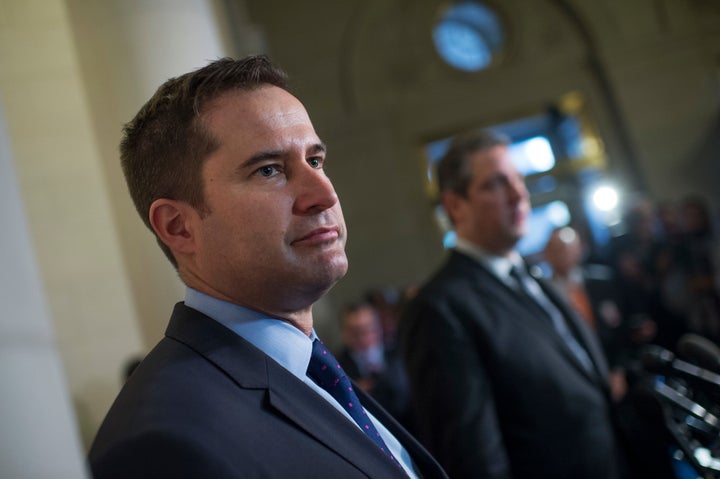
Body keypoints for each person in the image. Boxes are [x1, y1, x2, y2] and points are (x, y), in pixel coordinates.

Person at [88, 56, 447, 479]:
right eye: (269, 170)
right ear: (179, 226)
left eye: (315, 161)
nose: (324, 194)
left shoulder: (314, 368)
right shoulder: (164, 445)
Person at [400, 129, 629, 479]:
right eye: (495, 184)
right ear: (455, 205)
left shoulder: (531, 277)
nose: (519, 194)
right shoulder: (440, 308)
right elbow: (474, 459)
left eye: (519, 180)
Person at [336, 301, 412, 429]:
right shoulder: (337, 367)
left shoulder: (402, 353)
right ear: (345, 334)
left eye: (368, 330)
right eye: (355, 332)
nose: (363, 338)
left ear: (378, 328)